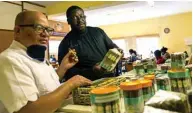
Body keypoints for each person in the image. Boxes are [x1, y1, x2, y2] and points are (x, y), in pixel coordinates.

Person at [0, 11, 92, 113]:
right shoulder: (9, 60)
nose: (46, 34)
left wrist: (62, 68)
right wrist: (70, 84)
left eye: (48, 30)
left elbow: (45, 87)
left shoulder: (37, 56)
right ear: (18, 31)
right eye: (39, 28)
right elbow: (28, 110)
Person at [58, 6, 122, 81]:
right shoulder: (65, 44)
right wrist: (92, 71)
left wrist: (118, 51)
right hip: (87, 84)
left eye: (82, 16)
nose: (80, 20)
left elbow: (112, 47)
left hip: (110, 79)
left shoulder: (98, 32)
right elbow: (67, 72)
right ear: (68, 21)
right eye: (75, 18)